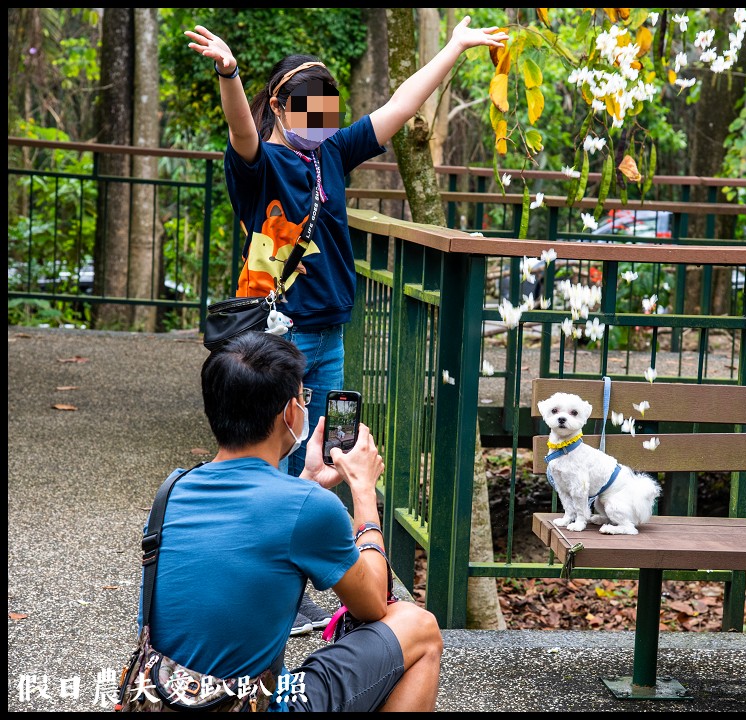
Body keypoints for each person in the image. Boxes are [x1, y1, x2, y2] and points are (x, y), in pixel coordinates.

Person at [185, 16, 508, 631]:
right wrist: (229, 72)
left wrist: (456, 48)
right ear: (279, 105)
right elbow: (239, 126)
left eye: (327, 111)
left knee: (324, 461)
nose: (321, 121)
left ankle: (302, 580)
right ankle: (265, 586)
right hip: (277, 338)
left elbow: (402, 103)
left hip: (328, 335)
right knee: (270, 464)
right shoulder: (261, 163)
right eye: (308, 109)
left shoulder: (331, 152)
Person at [138, 332, 443, 711]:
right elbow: (373, 605)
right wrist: (363, 491)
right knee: (420, 627)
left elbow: (255, 523)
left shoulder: (171, 492)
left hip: (166, 696)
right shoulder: (308, 508)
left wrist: (308, 482)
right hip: (250, 704)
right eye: (304, 397)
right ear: (289, 413)